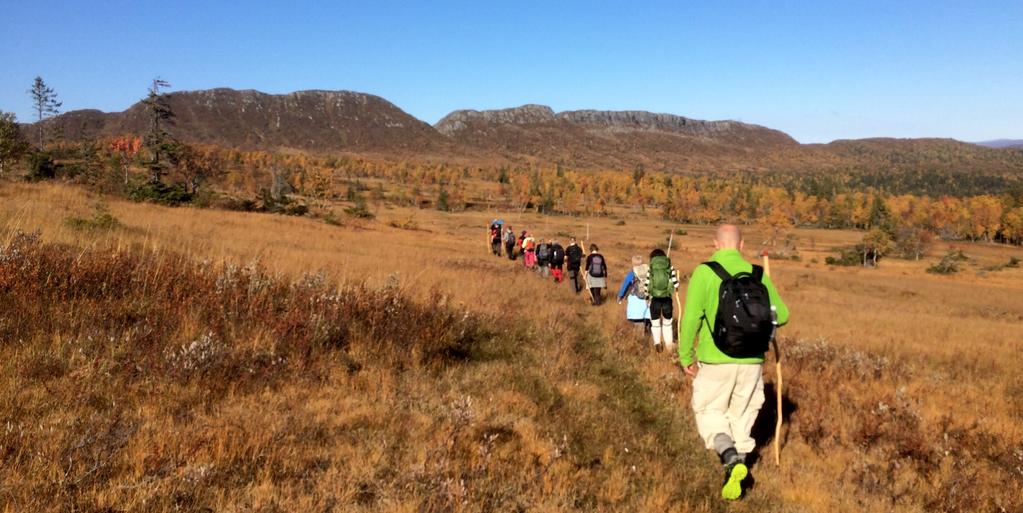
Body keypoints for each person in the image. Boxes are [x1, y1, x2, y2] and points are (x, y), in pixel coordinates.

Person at [678, 224, 789, 501]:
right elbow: (783, 315)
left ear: (715, 244)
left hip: (715, 360)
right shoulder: (757, 273)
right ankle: (736, 468)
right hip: (752, 360)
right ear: (741, 246)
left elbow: (690, 318)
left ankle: (730, 458)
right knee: (742, 417)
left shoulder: (705, 272)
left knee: (711, 414)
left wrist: (685, 356)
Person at [645, 248, 680, 353]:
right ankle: (669, 345)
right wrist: (676, 279)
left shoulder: (651, 268)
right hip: (667, 300)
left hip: (654, 300)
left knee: (655, 323)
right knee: (667, 323)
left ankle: (657, 344)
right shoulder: (669, 267)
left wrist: (647, 297)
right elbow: (676, 284)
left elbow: (646, 286)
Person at [617, 255, 652, 332]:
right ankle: (648, 337)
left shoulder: (632, 273)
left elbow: (625, 285)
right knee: (648, 321)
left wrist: (620, 296)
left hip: (636, 300)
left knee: (638, 321)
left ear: (633, 263)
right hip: (648, 300)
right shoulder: (649, 271)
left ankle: (639, 340)